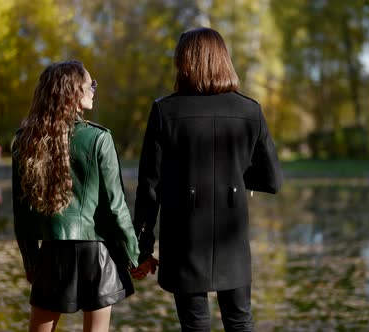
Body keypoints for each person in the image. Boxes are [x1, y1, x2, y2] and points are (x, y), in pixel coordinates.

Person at [131, 27, 282, 331]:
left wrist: (141, 248)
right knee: (240, 321)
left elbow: (149, 186)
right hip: (232, 239)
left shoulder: (165, 111)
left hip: (183, 239)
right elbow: (272, 180)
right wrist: (237, 173)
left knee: (194, 325)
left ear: (184, 62)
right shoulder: (249, 110)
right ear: (223, 59)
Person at [12, 60, 139, 332]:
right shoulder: (98, 138)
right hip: (98, 252)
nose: (94, 90)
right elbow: (116, 207)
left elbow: (21, 213)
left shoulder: (25, 140)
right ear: (73, 93)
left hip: (52, 253)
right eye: (90, 85)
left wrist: (30, 260)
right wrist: (135, 255)